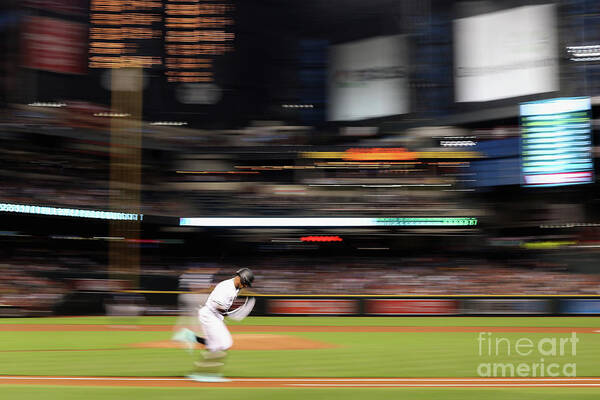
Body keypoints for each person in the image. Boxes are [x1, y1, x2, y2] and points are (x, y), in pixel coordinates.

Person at [172, 268, 254, 382]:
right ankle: (205, 374)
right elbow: (216, 305)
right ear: (241, 278)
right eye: (246, 283)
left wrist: (227, 313)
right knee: (221, 345)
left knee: (219, 344)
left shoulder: (235, 287)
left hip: (214, 317)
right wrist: (228, 313)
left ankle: (190, 338)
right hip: (209, 316)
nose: (245, 286)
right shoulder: (227, 287)